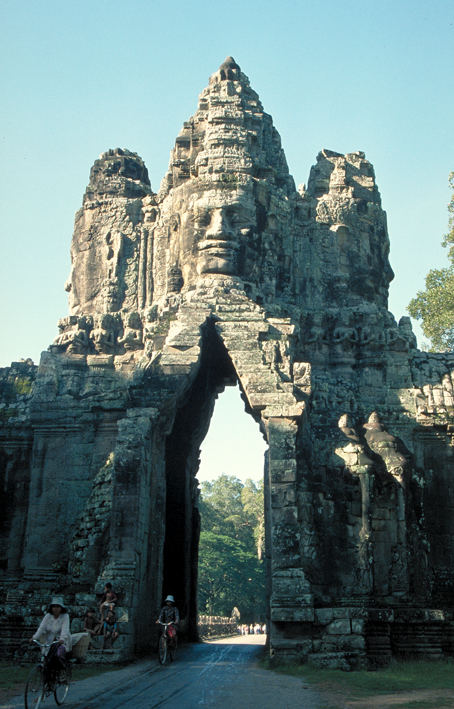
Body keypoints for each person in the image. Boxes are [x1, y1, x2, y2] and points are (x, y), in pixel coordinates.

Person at [31, 596, 71, 667]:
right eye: (54, 607)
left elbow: (65, 629)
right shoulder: (48, 616)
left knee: (58, 655)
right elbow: (41, 628)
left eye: (58, 607)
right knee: (46, 656)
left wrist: (62, 639)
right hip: (50, 640)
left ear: (61, 608)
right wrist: (34, 637)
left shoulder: (65, 616)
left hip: (61, 640)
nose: (56, 609)